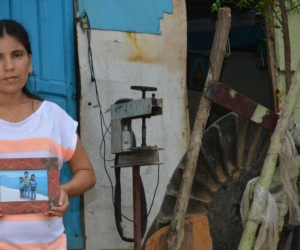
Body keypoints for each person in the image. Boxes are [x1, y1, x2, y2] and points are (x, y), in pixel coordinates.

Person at [0, 19, 96, 249]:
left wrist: (63, 190)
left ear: (30, 62)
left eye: (17, 55)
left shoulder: (54, 118)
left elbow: (87, 173)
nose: (9, 66)